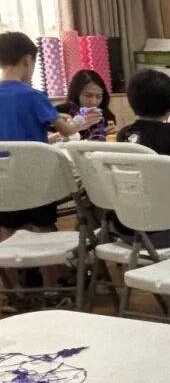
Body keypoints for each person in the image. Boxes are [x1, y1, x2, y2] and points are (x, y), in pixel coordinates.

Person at [0, 32, 101, 238]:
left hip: (4, 179)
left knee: (7, 228)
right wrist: (80, 122)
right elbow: (67, 130)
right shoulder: (33, 96)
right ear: (27, 61)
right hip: (36, 177)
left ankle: (11, 259)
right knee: (43, 227)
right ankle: (55, 259)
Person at [58, 69, 117, 141]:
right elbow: (48, 141)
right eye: (88, 95)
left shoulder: (106, 115)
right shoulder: (61, 112)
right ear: (77, 94)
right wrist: (73, 128)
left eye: (98, 96)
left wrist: (114, 134)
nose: (94, 102)